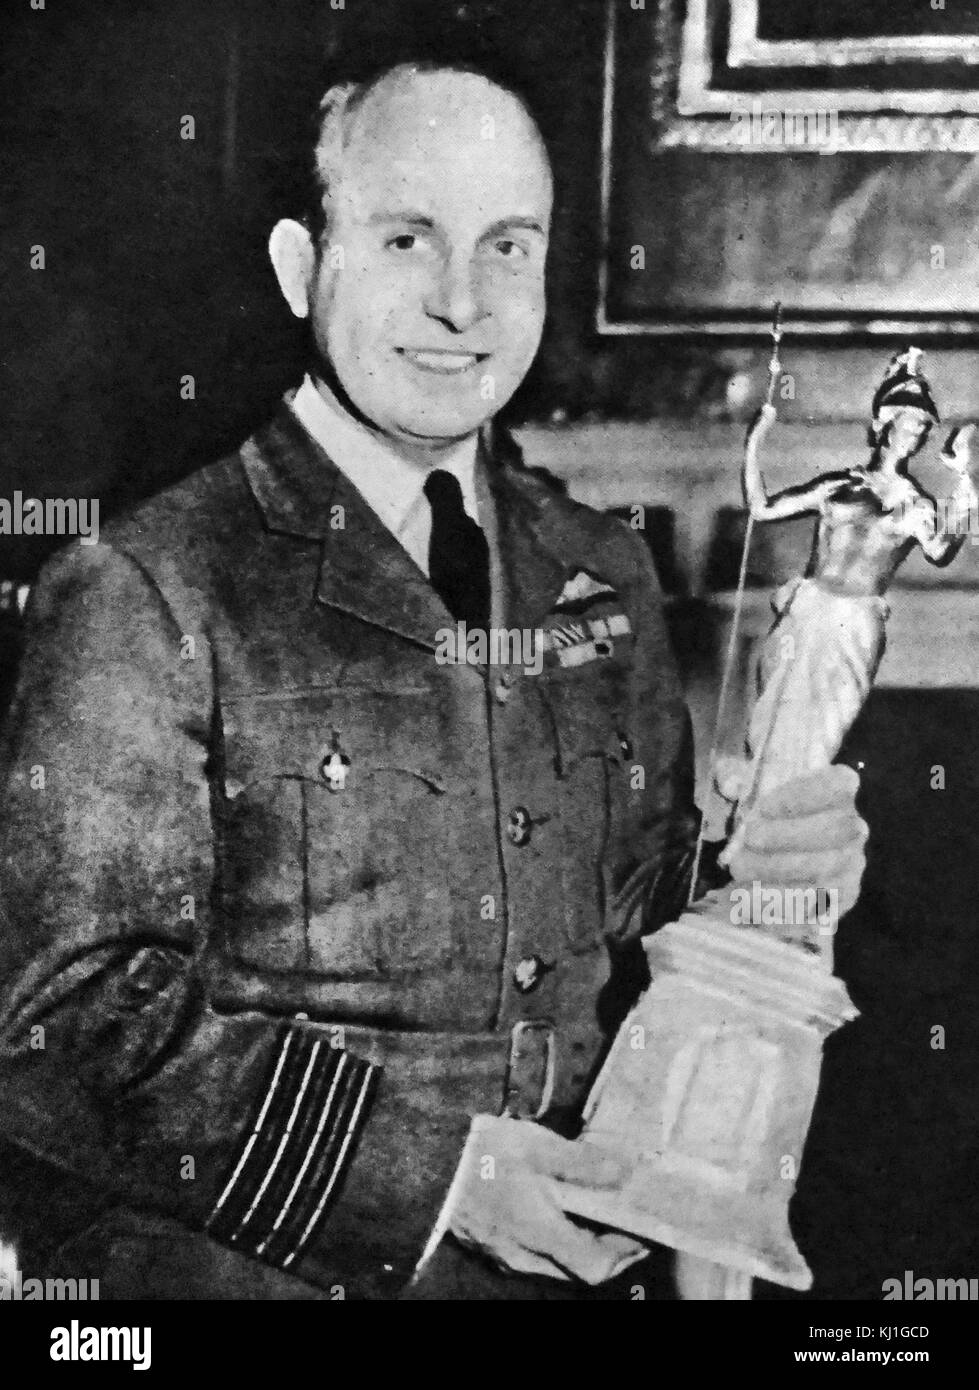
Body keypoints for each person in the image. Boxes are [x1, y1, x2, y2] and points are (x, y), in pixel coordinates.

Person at [0, 53, 866, 1300]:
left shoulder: (598, 567)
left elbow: (635, 921)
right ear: (305, 267)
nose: (463, 302)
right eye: (409, 238)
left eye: (509, 246)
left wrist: (766, 870)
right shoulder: (153, 582)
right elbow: (60, 1030)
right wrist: (440, 1175)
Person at [732, 349, 977, 835]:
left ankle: (791, 834)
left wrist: (964, 482)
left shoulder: (916, 506)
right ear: (883, 424)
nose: (915, 436)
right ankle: (751, 835)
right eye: (907, 425)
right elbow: (761, 508)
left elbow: (943, 551)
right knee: (775, 727)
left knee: (820, 736)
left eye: (922, 429)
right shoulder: (838, 484)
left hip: (854, 628)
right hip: (807, 611)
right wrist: (756, 436)